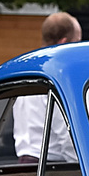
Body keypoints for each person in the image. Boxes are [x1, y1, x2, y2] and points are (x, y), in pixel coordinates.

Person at [13, 12, 81, 166]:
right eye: (77, 42)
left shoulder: (26, 72)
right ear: (64, 43)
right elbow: (66, 133)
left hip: (22, 164)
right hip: (51, 168)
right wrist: (82, 167)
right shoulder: (57, 77)